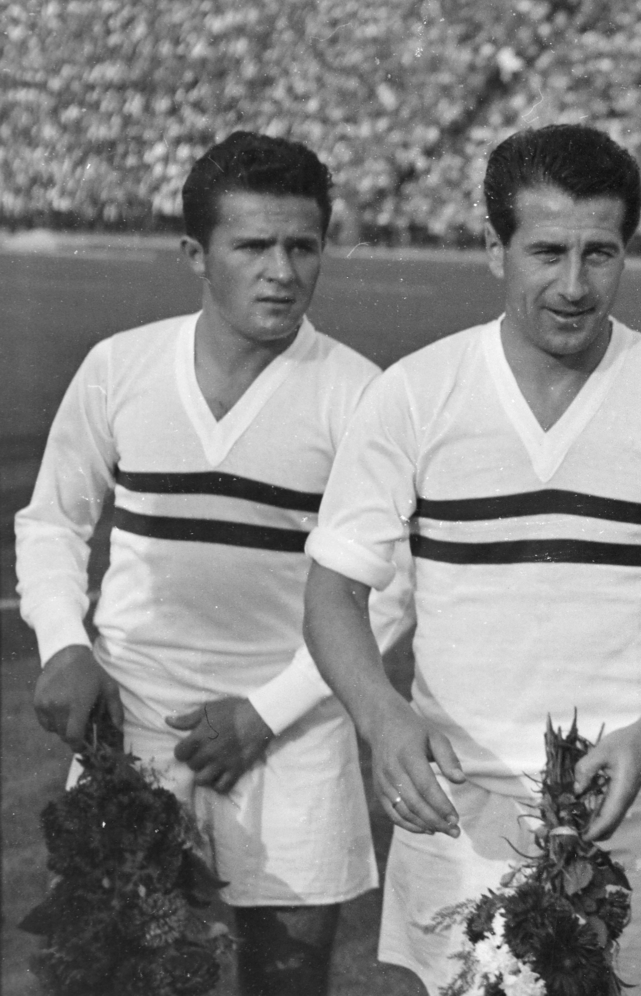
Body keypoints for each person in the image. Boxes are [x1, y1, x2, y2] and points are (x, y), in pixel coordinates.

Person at [301, 124, 641, 996]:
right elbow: (332, 591)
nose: (575, 285)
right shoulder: (416, 392)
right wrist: (382, 715)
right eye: (546, 251)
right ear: (492, 248)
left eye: (601, 253)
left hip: (622, 804)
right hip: (454, 804)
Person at [17, 131, 403, 996]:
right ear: (197, 254)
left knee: (286, 979)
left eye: (302, 246)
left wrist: (267, 711)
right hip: (135, 727)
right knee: (106, 975)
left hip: (292, 733)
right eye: (253, 245)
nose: (281, 270)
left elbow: (390, 588)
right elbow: (53, 520)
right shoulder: (120, 367)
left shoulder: (362, 395)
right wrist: (61, 642)